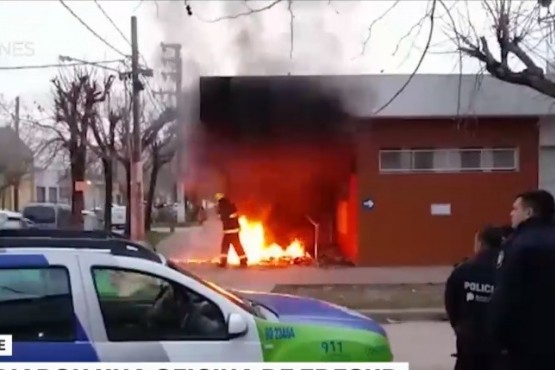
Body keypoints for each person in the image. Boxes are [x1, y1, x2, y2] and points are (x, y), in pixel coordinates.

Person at [490, 190, 555, 370]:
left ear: (528, 213)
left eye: (515, 208)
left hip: (526, 342)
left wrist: (497, 336)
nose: (511, 213)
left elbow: (506, 295)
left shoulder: (517, 245)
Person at [445, 225, 509, 370]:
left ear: (480, 243)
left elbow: (451, 302)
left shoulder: (463, 270)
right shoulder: (507, 270)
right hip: (498, 343)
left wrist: (459, 327)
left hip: (468, 341)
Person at [215, 193, 248, 268]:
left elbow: (222, 217)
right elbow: (235, 216)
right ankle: (244, 260)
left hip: (228, 230)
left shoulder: (222, 206)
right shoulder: (231, 205)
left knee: (225, 246)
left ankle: (223, 263)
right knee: (237, 245)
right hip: (235, 229)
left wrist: (219, 214)